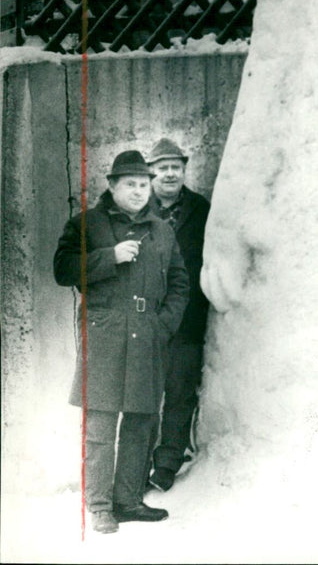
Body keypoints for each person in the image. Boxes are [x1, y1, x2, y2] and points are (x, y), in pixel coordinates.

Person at [53, 150, 189, 534]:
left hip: (148, 335)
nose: (139, 191)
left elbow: (179, 283)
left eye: (144, 184)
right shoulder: (86, 224)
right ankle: (99, 506)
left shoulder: (161, 230)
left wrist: (163, 326)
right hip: (105, 334)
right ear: (112, 186)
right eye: (130, 184)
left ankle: (128, 501)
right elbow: (62, 270)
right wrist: (108, 257)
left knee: (141, 422)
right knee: (100, 425)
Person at [146, 137, 211, 493]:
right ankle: (137, 465)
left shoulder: (201, 209)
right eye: (163, 168)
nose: (170, 174)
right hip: (148, 319)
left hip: (187, 320)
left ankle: (167, 464)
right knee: (143, 394)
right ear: (151, 173)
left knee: (180, 391)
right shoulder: (139, 209)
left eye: (176, 167)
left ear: (184, 171)